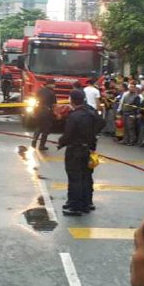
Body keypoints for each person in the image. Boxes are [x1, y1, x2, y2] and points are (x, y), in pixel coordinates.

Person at [58, 89, 104, 217]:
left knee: (75, 178)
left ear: (71, 100)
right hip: (88, 149)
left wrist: (60, 143)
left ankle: (75, 206)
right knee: (86, 176)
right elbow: (101, 122)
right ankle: (86, 203)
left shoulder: (74, 116)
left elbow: (67, 135)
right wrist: (92, 135)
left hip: (75, 150)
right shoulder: (90, 112)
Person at [31, 84, 56, 151]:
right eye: (53, 84)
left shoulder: (39, 91)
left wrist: (34, 111)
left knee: (38, 126)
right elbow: (54, 105)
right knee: (46, 129)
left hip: (38, 111)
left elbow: (35, 100)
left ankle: (34, 140)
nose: (55, 86)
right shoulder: (52, 93)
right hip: (47, 112)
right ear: (50, 85)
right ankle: (41, 146)